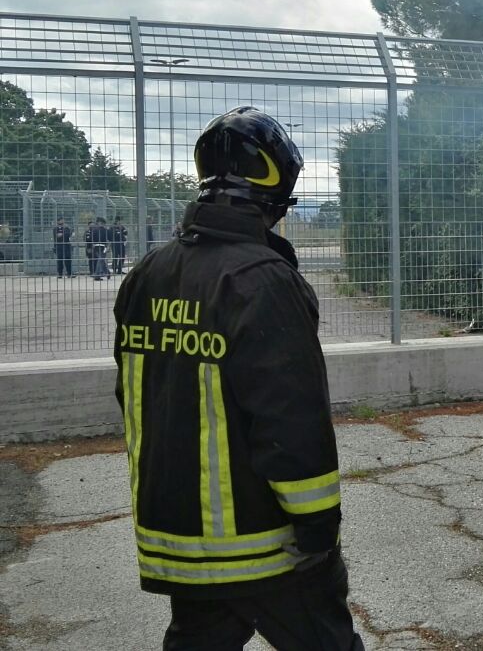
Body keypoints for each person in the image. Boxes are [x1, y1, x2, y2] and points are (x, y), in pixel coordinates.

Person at [113, 107, 362, 651]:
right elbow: (291, 423)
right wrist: (319, 528)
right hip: (261, 542)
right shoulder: (263, 281)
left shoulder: (146, 274)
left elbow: (138, 398)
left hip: (178, 535)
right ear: (275, 192)